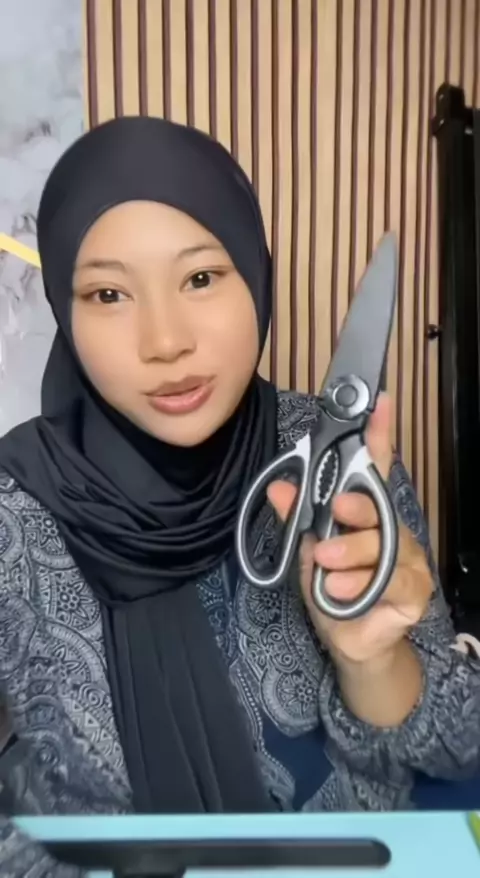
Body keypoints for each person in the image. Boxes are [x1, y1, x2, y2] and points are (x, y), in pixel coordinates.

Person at [0, 117, 479, 876]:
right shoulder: (13, 510)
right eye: (108, 293)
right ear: (65, 307)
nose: (165, 342)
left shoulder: (338, 456)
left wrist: (373, 661)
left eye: (200, 278)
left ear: (255, 274)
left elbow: (458, 750)